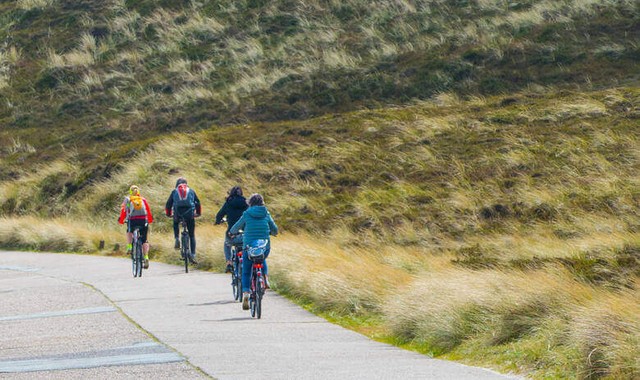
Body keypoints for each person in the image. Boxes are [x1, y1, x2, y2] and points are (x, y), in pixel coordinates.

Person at [229, 193, 278, 310]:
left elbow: (235, 227)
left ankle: (246, 295)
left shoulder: (247, 214)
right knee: (261, 257)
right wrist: (272, 233)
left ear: (250, 203)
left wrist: (232, 232)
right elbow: (275, 229)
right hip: (264, 246)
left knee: (246, 271)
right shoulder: (266, 213)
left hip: (249, 247)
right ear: (262, 202)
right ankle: (265, 278)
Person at [165, 177, 202, 264]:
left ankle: (177, 238)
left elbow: (168, 204)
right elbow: (197, 202)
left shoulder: (174, 191)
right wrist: (198, 213)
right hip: (189, 214)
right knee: (192, 235)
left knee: (175, 223)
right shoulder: (191, 191)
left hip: (178, 214)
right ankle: (193, 254)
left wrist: (168, 214)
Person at [118, 185, 154, 269]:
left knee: (129, 230)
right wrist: (149, 220)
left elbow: (124, 211)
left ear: (130, 192)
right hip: (143, 221)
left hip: (132, 220)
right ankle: (146, 257)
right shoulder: (143, 200)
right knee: (144, 239)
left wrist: (121, 221)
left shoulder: (128, 199)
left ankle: (130, 246)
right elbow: (148, 211)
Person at [215, 186, 248, 273]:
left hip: (232, 235)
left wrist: (218, 221)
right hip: (245, 234)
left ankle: (229, 262)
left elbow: (219, 215)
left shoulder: (228, 203)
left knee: (227, 244)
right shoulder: (246, 203)